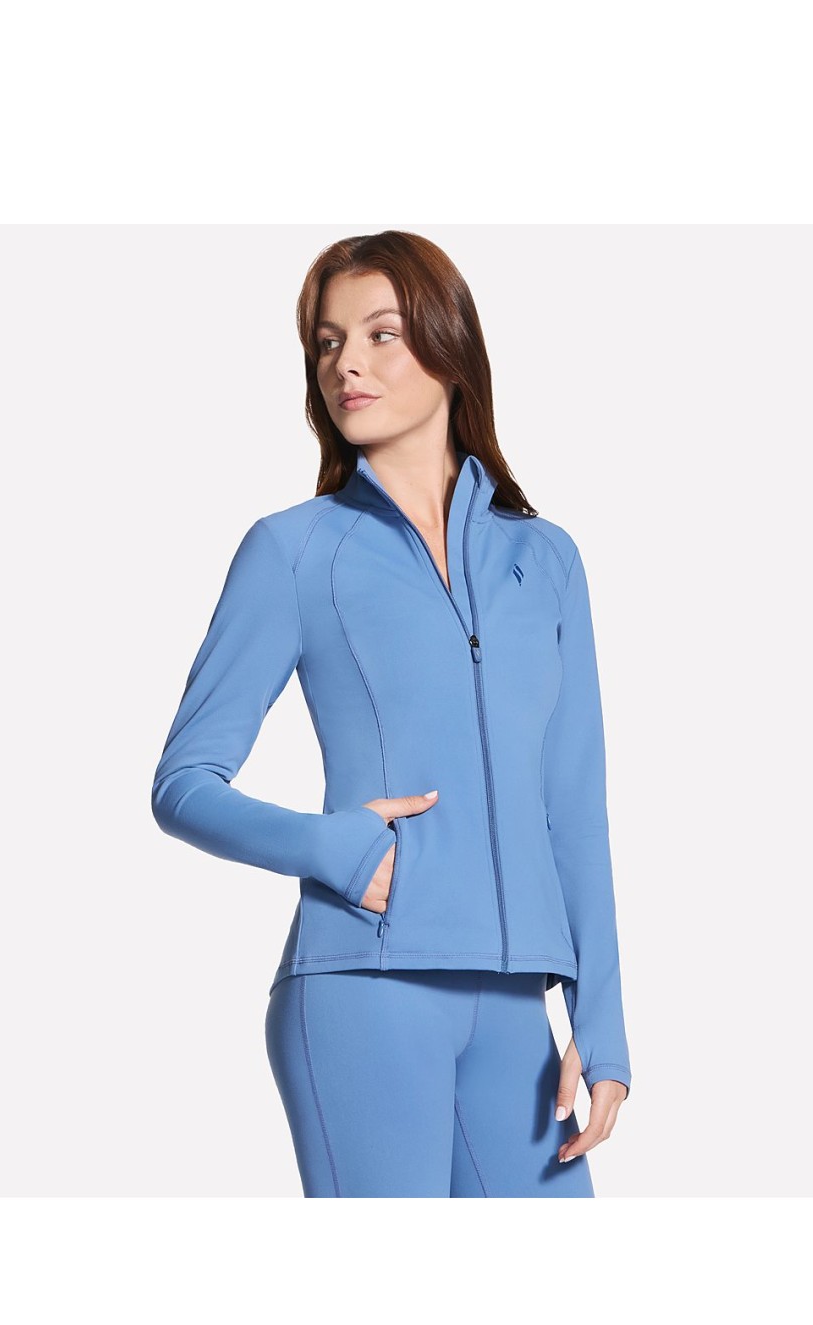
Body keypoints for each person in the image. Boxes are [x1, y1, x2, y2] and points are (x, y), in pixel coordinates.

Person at [151, 230, 632, 1197]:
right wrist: (333, 846)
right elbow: (183, 784)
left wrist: (602, 1021)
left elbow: (573, 806)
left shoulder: (546, 561)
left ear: (450, 348)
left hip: (516, 1012)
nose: (347, 364)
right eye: (328, 343)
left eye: (381, 334)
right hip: (364, 989)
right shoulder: (294, 551)